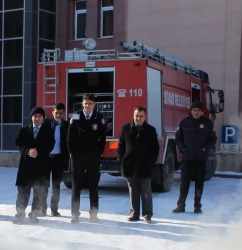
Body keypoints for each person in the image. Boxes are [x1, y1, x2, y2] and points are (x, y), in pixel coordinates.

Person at [66, 93, 108, 223]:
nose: (87, 106)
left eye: (90, 103)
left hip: (93, 155)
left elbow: (102, 137)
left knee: (93, 185)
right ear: (82, 104)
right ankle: (75, 214)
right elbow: (69, 136)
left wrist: (99, 152)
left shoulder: (99, 117)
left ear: (94, 104)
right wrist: (71, 151)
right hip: (78, 155)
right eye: (85, 103)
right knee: (76, 184)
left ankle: (93, 214)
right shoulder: (76, 116)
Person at [118, 107, 160, 223]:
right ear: (133, 115)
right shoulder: (125, 128)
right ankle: (134, 214)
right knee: (133, 190)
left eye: (141, 116)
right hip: (129, 166)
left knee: (146, 191)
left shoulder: (150, 130)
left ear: (145, 117)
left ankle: (147, 215)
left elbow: (155, 149)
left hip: (145, 166)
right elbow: (120, 147)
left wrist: (150, 162)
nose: (139, 118)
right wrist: (123, 159)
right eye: (137, 115)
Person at [13, 107, 55, 224]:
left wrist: (38, 152)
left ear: (43, 118)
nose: (37, 118)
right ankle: (19, 214)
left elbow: (50, 145)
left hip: (41, 167)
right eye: (35, 116)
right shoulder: (24, 130)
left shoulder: (48, 131)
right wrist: (27, 151)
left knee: (39, 193)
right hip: (26, 166)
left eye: (40, 116)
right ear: (31, 117)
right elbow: (18, 143)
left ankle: (34, 214)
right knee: (22, 193)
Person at [174, 101, 217, 214]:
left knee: (199, 182)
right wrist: (182, 148)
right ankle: (180, 205)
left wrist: (205, 149)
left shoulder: (207, 123)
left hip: (200, 158)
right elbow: (178, 138)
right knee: (184, 182)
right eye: (194, 110)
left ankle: (197, 206)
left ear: (201, 111)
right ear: (191, 111)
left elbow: (212, 139)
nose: (196, 112)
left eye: (198, 110)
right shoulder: (184, 123)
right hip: (187, 158)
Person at [42, 102, 67, 217]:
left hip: (59, 159)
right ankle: (42, 209)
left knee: (56, 186)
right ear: (52, 112)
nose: (58, 115)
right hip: (46, 159)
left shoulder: (66, 125)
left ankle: (54, 209)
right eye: (56, 113)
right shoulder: (46, 123)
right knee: (44, 185)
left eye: (60, 113)